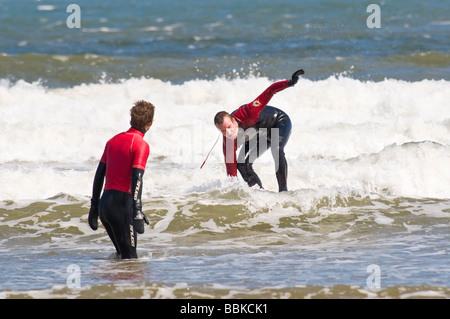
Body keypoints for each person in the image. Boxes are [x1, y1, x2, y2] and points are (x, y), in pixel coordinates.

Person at [214, 69, 304, 192]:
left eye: (229, 127)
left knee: (276, 149)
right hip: (259, 133)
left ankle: (283, 192)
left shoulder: (250, 111)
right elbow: (231, 174)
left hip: (278, 122)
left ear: (233, 120)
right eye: (223, 131)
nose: (228, 133)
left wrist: (289, 82)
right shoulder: (228, 141)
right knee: (242, 163)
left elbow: (270, 91)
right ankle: (260, 193)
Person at [88, 100, 155, 259]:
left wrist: (94, 206)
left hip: (105, 204)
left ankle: (114, 284)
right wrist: (137, 210)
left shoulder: (113, 141)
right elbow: (137, 178)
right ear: (150, 123)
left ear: (131, 119)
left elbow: (99, 174)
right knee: (130, 260)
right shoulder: (140, 144)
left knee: (121, 257)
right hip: (122, 205)